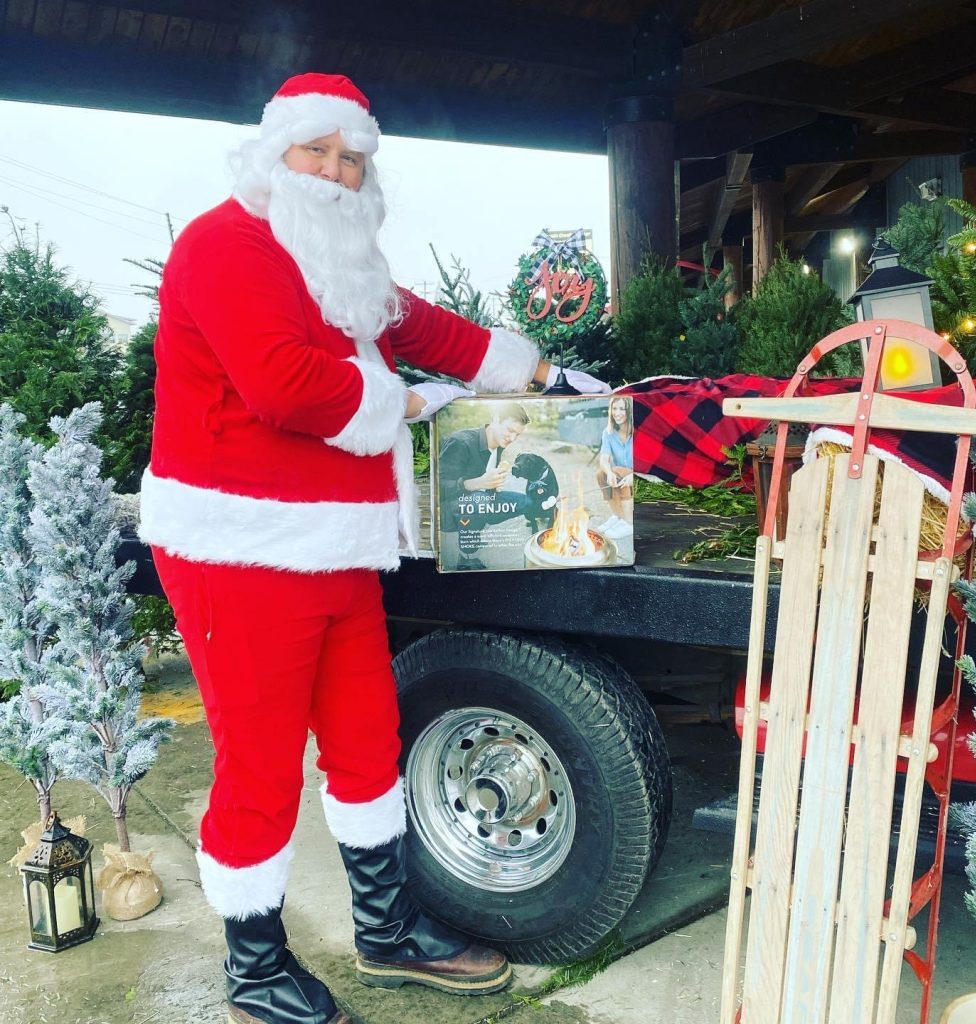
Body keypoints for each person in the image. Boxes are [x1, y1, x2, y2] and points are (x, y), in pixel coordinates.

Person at [138, 72, 608, 1024]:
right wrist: (408, 401)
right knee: (261, 766)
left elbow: (423, 324)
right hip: (242, 547)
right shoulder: (223, 245)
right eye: (319, 151)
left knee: (366, 743)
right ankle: (256, 970)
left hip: (341, 544)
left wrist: (547, 372)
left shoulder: (337, 255)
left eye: (353, 158)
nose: (337, 173)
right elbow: (285, 386)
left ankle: (388, 934)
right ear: (275, 152)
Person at [437, 403, 531, 569]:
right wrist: (478, 483)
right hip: (451, 510)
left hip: (483, 502)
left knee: (527, 502)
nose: (512, 438)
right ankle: (467, 557)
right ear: (495, 419)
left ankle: (479, 524)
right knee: (479, 501)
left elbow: (489, 483)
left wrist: (495, 484)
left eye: (517, 434)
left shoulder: (499, 445)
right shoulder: (460, 442)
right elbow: (439, 488)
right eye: (510, 430)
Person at [594, 396, 634, 539]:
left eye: (622, 409)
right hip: (620, 474)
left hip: (640, 476)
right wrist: (608, 472)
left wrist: (633, 476)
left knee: (616, 471)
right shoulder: (608, 433)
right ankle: (618, 516)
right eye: (614, 408)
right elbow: (604, 459)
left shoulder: (639, 431)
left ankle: (629, 522)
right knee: (601, 474)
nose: (617, 413)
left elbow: (649, 463)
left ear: (629, 410)